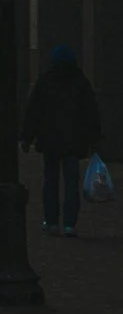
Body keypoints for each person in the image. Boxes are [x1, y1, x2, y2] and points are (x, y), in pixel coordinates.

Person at [20, 44, 103, 236]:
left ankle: (51, 221)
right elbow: (92, 114)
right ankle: (69, 224)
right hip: (73, 142)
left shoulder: (45, 81)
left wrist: (27, 137)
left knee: (50, 181)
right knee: (71, 183)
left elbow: (33, 111)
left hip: (50, 141)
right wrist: (95, 140)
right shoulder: (81, 82)